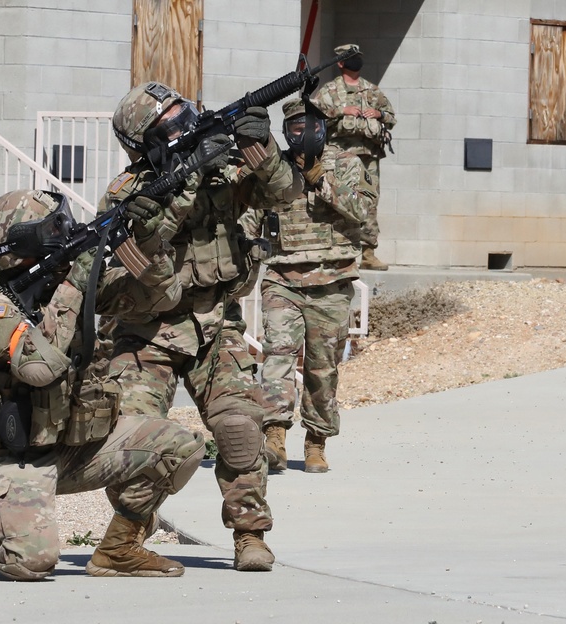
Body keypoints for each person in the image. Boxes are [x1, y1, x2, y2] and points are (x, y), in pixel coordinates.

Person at [0, 188, 206, 581]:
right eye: (52, 227)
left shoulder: (64, 283)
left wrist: (150, 240)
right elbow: (39, 367)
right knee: (30, 562)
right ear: (25, 245)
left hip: (75, 446)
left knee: (180, 448)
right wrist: (75, 284)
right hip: (10, 458)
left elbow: (160, 297)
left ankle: (120, 549)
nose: (64, 230)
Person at [98, 81, 303, 572]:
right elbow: (138, 246)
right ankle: (122, 543)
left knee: (239, 428)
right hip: (147, 332)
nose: (184, 125)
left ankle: (250, 536)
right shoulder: (128, 193)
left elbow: (284, 191)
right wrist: (187, 178)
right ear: (146, 143)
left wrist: (261, 146)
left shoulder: (224, 168)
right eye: (169, 124)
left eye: (183, 112)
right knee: (135, 440)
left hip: (216, 325)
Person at [258, 97, 377, 474]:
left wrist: (321, 181)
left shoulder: (345, 164)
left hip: (332, 279)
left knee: (322, 368)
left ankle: (316, 441)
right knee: (277, 355)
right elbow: (251, 213)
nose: (302, 134)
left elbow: (362, 213)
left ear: (321, 129)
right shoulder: (274, 168)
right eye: (294, 128)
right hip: (282, 278)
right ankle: (274, 437)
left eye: (308, 127)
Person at [311, 43, 396, 272]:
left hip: (368, 155)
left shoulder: (371, 90)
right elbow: (313, 115)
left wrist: (378, 113)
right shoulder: (329, 91)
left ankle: (368, 252)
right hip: (339, 157)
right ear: (340, 63)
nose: (356, 61)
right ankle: (337, 251)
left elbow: (391, 117)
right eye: (351, 58)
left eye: (358, 56)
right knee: (338, 199)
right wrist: (341, 110)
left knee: (370, 201)